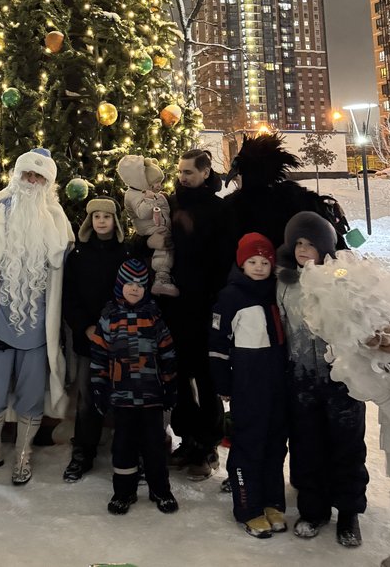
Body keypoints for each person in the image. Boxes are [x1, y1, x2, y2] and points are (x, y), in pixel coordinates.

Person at [0, 148, 74, 485]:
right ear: (17, 175)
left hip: (38, 328)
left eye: (39, 176)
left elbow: (65, 261)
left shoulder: (56, 218)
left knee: (31, 394)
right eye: (27, 174)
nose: (31, 181)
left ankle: (23, 453)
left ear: (48, 182)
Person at [297, 250, 390, 566]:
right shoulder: (358, 363)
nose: (382, 341)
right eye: (370, 340)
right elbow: (387, 401)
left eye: (384, 328)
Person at [277, 212, 368, 547]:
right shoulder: (284, 282)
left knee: (347, 446)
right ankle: (312, 510)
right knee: (306, 445)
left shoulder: (341, 279)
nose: (303, 249)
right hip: (301, 378)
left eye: (311, 244)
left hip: (342, 379)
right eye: (298, 242)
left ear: (325, 247)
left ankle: (348, 512)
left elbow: (362, 317)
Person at [159, 149, 231, 480]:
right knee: (179, 376)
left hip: (205, 306)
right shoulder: (171, 204)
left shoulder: (219, 209)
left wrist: (215, 300)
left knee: (205, 377)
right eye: (180, 172)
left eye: (188, 172)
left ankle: (207, 445)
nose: (182, 177)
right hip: (175, 305)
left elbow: (224, 259)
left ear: (205, 173)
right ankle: (187, 440)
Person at [209, 233, 287, 539]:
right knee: (249, 446)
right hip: (247, 385)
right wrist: (223, 382)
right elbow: (217, 346)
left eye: (264, 262)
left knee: (275, 444)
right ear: (242, 264)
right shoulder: (231, 297)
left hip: (277, 385)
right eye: (252, 261)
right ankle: (248, 507)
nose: (258, 267)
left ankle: (272, 502)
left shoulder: (277, 293)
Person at [90, 259, 178, 515]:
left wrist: (170, 385)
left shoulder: (154, 317)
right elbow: (98, 355)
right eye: (129, 283)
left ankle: (160, 490)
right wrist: (99, 387)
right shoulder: (108, 318)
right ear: (120, 285)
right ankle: (123, 492)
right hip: (122, 397)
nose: (135, 289)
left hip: (151, 397)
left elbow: (168, 353)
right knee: (123, 446)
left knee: (154, 445)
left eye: (140, 285)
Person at [61, 197, 130, 482]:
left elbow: (134, 293)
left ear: (115, 221)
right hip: (89, 339)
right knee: (87, 399)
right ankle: (83, 453)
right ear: (90, 221)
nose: (101, 221)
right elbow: (69, 297)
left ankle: (127, 453)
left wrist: (120, 327)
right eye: (97, 216)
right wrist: (85, 327)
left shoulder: (126, 254)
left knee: (125, 398)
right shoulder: (78, 256)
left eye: (107, 216)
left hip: (122, 339)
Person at [117, 154, 177, 297]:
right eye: (156, 183)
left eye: (160, 182)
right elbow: (143, 213)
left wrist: (160, 200)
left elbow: (165, 211)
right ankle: (161, 279)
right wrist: (150, 200)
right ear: (144, 181)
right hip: (150, 230)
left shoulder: (151, 193)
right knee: (163, 251)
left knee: (166, 249)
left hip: (160, 228)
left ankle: (162, 278)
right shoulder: (133, 195)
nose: (159, 186)